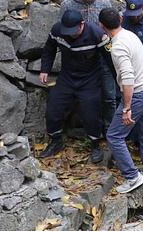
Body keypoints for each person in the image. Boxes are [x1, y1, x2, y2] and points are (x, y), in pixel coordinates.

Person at [38, 10, 111, 163]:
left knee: (91, 112)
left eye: (73, 31)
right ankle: (55, 140)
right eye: (67, 31)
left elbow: (110, 59)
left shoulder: (96, 34)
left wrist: (118, 80)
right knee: (53, 108)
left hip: (90, 78)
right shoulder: (57, 30)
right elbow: (49, 50)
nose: (70, 35)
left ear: (82, 24)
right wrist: (45, 69)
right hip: (67, 77)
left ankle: (95, 144)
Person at [99, 7, 143, 194]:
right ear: (121, 19)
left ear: (101, 25)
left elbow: (128, 79)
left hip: (138, 92)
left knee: (114, 136)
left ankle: (132, 177)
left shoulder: (117, 47)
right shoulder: (130, 35)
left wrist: (127, 108)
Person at [59, 0, 117, 125]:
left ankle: (110, 128)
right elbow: (63, 30)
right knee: (84, 98)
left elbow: (112, 28)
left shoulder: (104, 3)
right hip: (80, 60)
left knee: (109, 96)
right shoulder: (67, 5)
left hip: (103, 57)